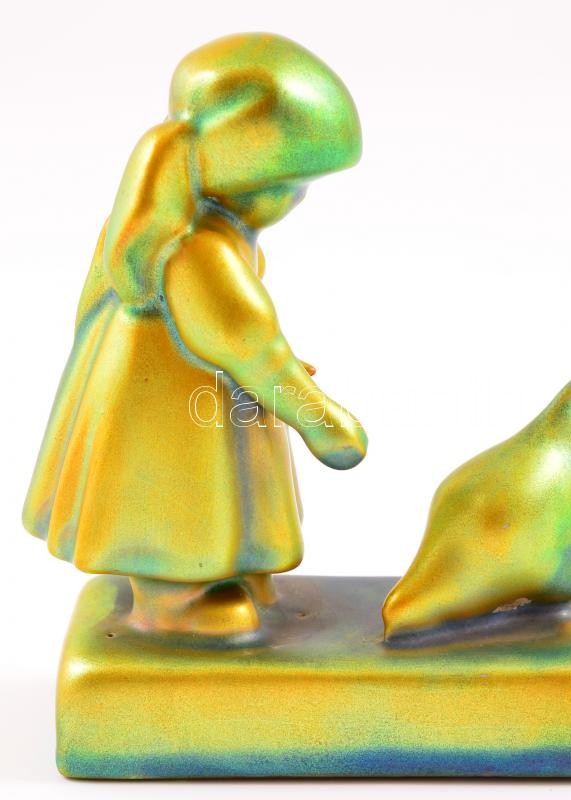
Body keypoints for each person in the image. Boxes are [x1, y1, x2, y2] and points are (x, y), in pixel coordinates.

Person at [23, 33, 367, 635]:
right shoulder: (198, 252)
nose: (299, 200)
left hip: (199, 395)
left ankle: (227, 570)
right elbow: (251, 347)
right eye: (294, 185)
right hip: (170, 411)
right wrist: (321, 419)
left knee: (226, 490)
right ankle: (174, 599)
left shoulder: (165, 229)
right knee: (181, 496)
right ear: (249, 177)